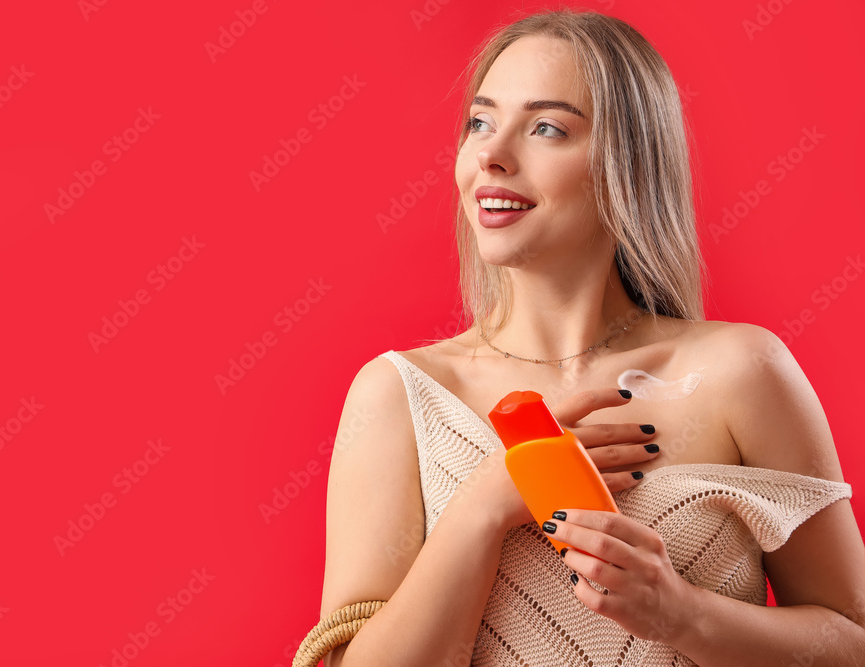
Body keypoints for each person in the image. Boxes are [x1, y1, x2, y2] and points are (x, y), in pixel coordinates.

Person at [314, 9, 865, 666]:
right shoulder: (401, 395)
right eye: (480, 122)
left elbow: (852, 640)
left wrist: (682, 614)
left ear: (627, 163)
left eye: (546, 127)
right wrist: (487, 504)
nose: (491, 153)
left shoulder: (742, 370)